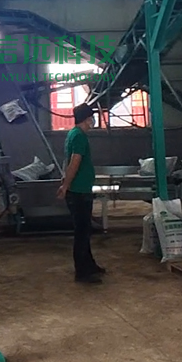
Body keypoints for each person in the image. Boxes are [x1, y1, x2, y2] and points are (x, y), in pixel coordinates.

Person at [57, 103, 105, 284]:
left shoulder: (74, 134)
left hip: (80, 189)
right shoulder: (79, 137)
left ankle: (89, 264)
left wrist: (65, 182)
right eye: (92, 118)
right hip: (78, 191)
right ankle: (82, 272)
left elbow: (68, 161)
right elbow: (74, 162)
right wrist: (66, 185)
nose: (93, 121)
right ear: (87, 119)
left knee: (85, 230)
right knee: (82, 232)